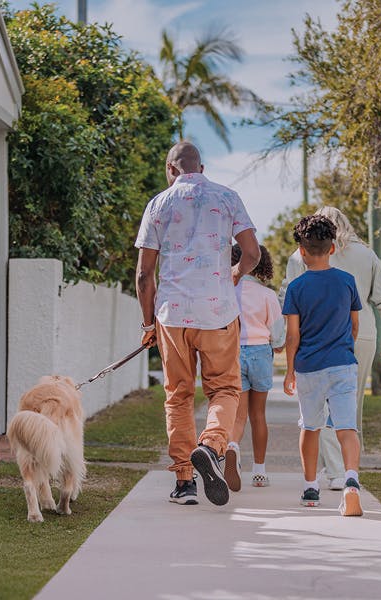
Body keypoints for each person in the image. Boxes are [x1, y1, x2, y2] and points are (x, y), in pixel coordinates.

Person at [133, 141, 260, 506]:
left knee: (178, 396)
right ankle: (211, 445)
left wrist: (147, 326)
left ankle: (185, 483)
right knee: (224, 390)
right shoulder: (227, 197)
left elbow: (144, 275)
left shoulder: (158, 204)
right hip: (218, 312)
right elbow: (251, 253)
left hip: (172, 317)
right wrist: (234, 273)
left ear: (170, 169)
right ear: (200, 169)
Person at [282, 207, 381, 490]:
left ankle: (331, 473)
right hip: (359, 337)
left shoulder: (299, 256)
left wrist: (289, 363)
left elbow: (290, 304)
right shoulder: (366, 255)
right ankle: (349, 471)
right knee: (349, 406)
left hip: (313, 341)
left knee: (314, 416)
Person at [283, 215, 367, 509]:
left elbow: (292, 336)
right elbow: (354, 324)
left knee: (311, 427)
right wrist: (344, 348)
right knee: (346, 428)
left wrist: (289, 371)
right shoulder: (347, 281)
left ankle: (309, 488)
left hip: (309, 368)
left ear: (302, 251)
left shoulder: (296, 288)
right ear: (333, 248)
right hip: (343, 363)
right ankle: (352, 482)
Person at [228, 245, 285, 488]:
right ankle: (259, 471)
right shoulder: (267, 295)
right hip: (261, 352)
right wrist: (279, 345)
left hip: (234, 353)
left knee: (238, 416)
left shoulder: (227, 292)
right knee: (258, 415)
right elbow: (279, 336)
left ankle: (231, 448)